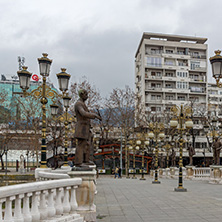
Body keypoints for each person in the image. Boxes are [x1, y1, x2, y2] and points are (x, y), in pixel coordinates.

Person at [74, 89, 102, 167]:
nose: (87, 96)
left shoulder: (82, 103)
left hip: (85, 128)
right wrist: (94, 115)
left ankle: (85, 160)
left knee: (87, 144)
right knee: (81, 145)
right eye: (86, 94)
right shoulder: (78, 104)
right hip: (81, 127)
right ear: (82, 94)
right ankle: (79, 162)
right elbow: (83, 113)